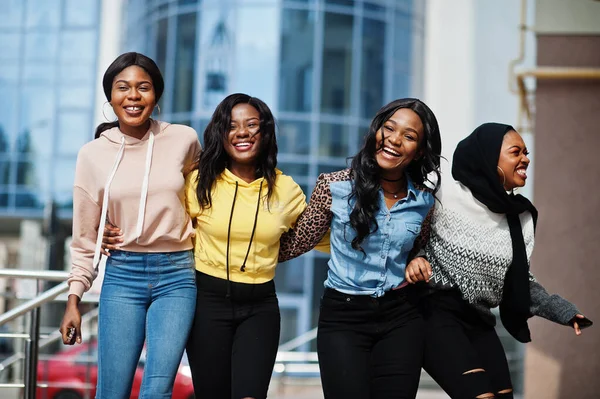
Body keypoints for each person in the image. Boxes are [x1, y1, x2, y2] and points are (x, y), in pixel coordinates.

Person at [103, 93, 311, 398]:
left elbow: (319, 235)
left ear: (265, 133)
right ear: (221, 134)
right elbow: (158, 215)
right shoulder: (200, 182)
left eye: (251, 125)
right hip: (206, 302)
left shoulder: (287, 190)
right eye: (232, 126)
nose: (242, 132)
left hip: (260, 307)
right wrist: (105, 227)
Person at [405, 123, 592, 399]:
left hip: (479, 320)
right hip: (433, 313)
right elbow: (402, 231)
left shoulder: (521, 219)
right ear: (487, 158)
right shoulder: (444, 192)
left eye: (526, 153)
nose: (525, 159)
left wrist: (562, 311)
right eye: (515, 152)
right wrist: (415, 258)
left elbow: (519, 282)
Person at [278, 98, 443, 399]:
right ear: (375, 131)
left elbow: (420, 250)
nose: (394, 139)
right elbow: (297, 242)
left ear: (419, 151)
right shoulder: (334, 186)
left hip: (401, 317)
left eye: (408, 136)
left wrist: (419, 260)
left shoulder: (424, 201)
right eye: (389, 128)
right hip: (343, 317)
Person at [59, 52, 201, 399]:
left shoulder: (183, 139)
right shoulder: (92, 155)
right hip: (123, 275)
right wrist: (74, 298)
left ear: (156, 96)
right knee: (112, 390)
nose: (133, 96)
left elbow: (206, 196)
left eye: (143, 88)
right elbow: (84, 237)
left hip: (177, 275)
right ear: (110, 96)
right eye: (123, 88)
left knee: (157, 390)